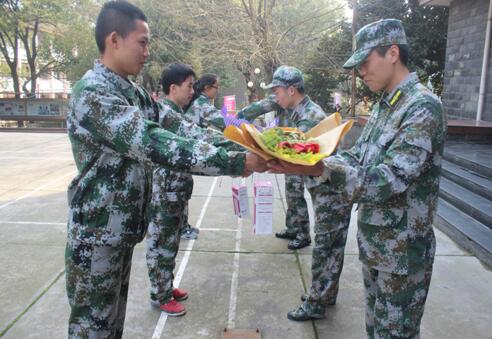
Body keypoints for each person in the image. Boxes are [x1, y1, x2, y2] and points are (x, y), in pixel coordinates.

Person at [65, 2, 266, 337]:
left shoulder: (132, 93)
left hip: (116, 234)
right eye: (141, 42)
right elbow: (154, 141)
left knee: (111, 326)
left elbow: (182, 129)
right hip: (96, 238)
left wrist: (248, 149)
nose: (147, 52)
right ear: (114, 40)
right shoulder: (93, 94)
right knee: (92, 330)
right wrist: (236, 163)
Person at [268, 19, 446, 338]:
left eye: (365, 62)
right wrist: (310, 155)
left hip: (403, 256)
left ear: (392, 53)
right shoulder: (385, 105)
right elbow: (357, 156)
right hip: (377, 247)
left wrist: (319, 168)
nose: (361, 72)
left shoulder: (422, 108)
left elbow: (387, 180)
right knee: (375, 330)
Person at [146, 62, 237, 315]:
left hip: (175, 189)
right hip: (164, 190)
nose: (192, 92)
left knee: (171, 241)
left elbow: (197, 135)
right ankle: (160, 294)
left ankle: (166, 285)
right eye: (188, 86)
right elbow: (190, 141)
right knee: (161, 242)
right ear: (173, 88)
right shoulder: (164, 113)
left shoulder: (174, 112)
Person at [236, 66, 326, 250]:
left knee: (313, 208)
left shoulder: (310, 116)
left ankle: (303, 234)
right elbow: (259, 111)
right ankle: (294, 227)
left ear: (291, 90)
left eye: (277, 92)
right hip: (296, 161)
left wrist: (258, 153)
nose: (275, 97)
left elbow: (293, 149)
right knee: (292, 192)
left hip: (319, 173)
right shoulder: (288, 105)